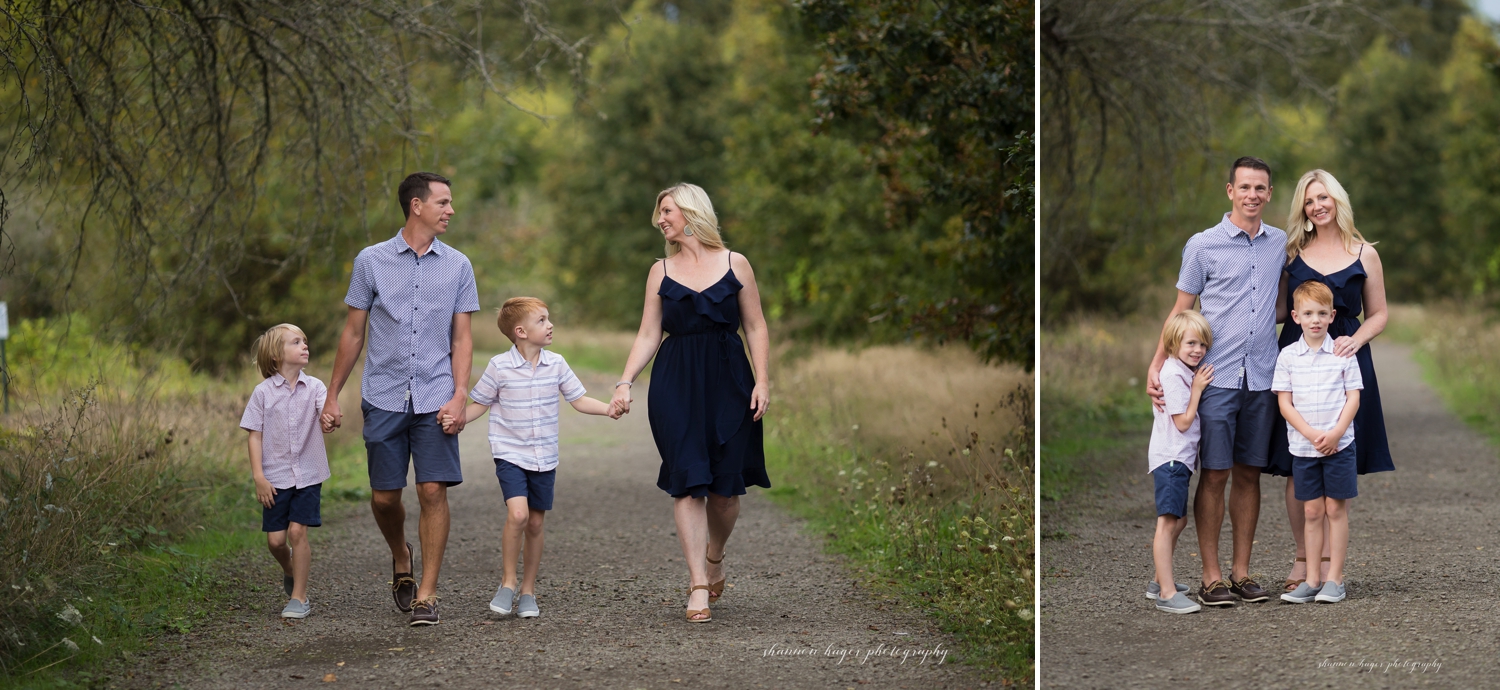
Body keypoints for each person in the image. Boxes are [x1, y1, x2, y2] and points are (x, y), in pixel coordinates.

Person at [321, 172, 480, 626]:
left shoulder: (458, 265)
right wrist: (332, 394)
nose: (450, 210)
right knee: (385, 498)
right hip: (384, 394)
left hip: (435, 395)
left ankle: (427, 595)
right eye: (443, 202)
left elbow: (463, 339)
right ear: (416, 205)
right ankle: (400, 554)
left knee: (433, 490)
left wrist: (459, 395)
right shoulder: (371, 261)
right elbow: (354, 332)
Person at [610, 183, 771, 623]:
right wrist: (625, 382)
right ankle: (698, 583)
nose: (660, 219)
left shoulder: (736, 263)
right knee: (686, 479)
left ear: (690, 212)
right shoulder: (659, 270)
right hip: (675, 381)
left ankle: (714, 554)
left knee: (723, 493)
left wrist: (763, 381)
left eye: (666, 210)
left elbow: (755, 326)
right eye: (659, 212)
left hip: (730, 380)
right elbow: (648, 333)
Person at [1147, 156, 1283, 607]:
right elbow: (1181, 311)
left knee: (1249, 475)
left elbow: (1282, 307)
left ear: (1268, 193)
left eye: (1260, 188)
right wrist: (1156, 363)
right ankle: (1210, 577)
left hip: (1262, 377)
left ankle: (1241, 573)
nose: (1252, 195)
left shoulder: (1279, 243)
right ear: (1230, 191)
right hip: (1215, 378)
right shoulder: (1202, 246)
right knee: (1215, 475)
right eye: (1244, 187)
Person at [440, 297, 619, 619]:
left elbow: (578, 400)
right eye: (542, 320)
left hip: (545, 456)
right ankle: (508, 583)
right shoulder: (499, 366)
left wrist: (607, 408)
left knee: (535, 523)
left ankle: (528, 591)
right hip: (510, 452)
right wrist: (458, 419)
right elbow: (480, 403)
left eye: (548, 319)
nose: (550, 325)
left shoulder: (558, 364)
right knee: (519, 515)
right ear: (520, 331)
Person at [1270, 169, 1391, 593]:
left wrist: (1353, 341)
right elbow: (1281, 311)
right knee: (1295, 461)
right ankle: (1304, 561)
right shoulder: (1291, 253)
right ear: (1302, 210)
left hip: (1345, 357)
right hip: (1300, 359)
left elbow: (1378, 313)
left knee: (1337, 451)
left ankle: (1331, 569)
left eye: (1323, 197)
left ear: (1337, 200)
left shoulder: (1364, 253)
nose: (1317, 205)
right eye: (1308, 200)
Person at [1274, 280, 1362, 604]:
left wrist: (1336, 432)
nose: (1315, 319)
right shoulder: (1287, 357)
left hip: (1339, 445)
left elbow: (1353, 398)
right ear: (1295, 316)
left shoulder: (1342, 353)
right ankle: (1311, 579)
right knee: (1312, 511)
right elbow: (1284, 403)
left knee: (1335, 510)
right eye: (1308, 313)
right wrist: (1311, 435)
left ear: (1331, 315)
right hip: (1304, 447)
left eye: (1321, 313)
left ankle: (1334, 580)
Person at [240, 323, 331, 619]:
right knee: (276, 541)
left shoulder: (316, 387)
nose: (305, 345)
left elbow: (325, 412)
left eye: (304, 341)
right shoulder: (263, 393)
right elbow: (254, 434)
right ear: (276, 355)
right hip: (275, 477)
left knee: (297, 532)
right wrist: (259, 477)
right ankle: (291, 569)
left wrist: (329, 419)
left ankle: (299, 598)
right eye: (296, 342)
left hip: (308, 473)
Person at [1146, 311, 1214, 614]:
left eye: (1202, 345)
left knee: (1179, 519)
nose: (1197, 350)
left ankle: (1160, 579)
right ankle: (1166, 592)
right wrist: (1198, 390)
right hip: (1171, 458)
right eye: (1191, 343)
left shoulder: (1182, 370)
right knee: (1168, 522)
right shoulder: (1173, 375)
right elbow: (1183, 423)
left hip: (1180, 460)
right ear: (1173, 344)